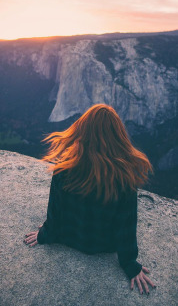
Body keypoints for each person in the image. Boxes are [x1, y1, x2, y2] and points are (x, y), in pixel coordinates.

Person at [24, 103, 156, 295]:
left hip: (70, 238)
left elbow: (54, 214)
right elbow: (125, 228)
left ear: (81, 132)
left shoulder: (62, 170)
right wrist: (130, 265)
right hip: (104, 245)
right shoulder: (123, 180)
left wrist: (44, 235)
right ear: (118, 138)